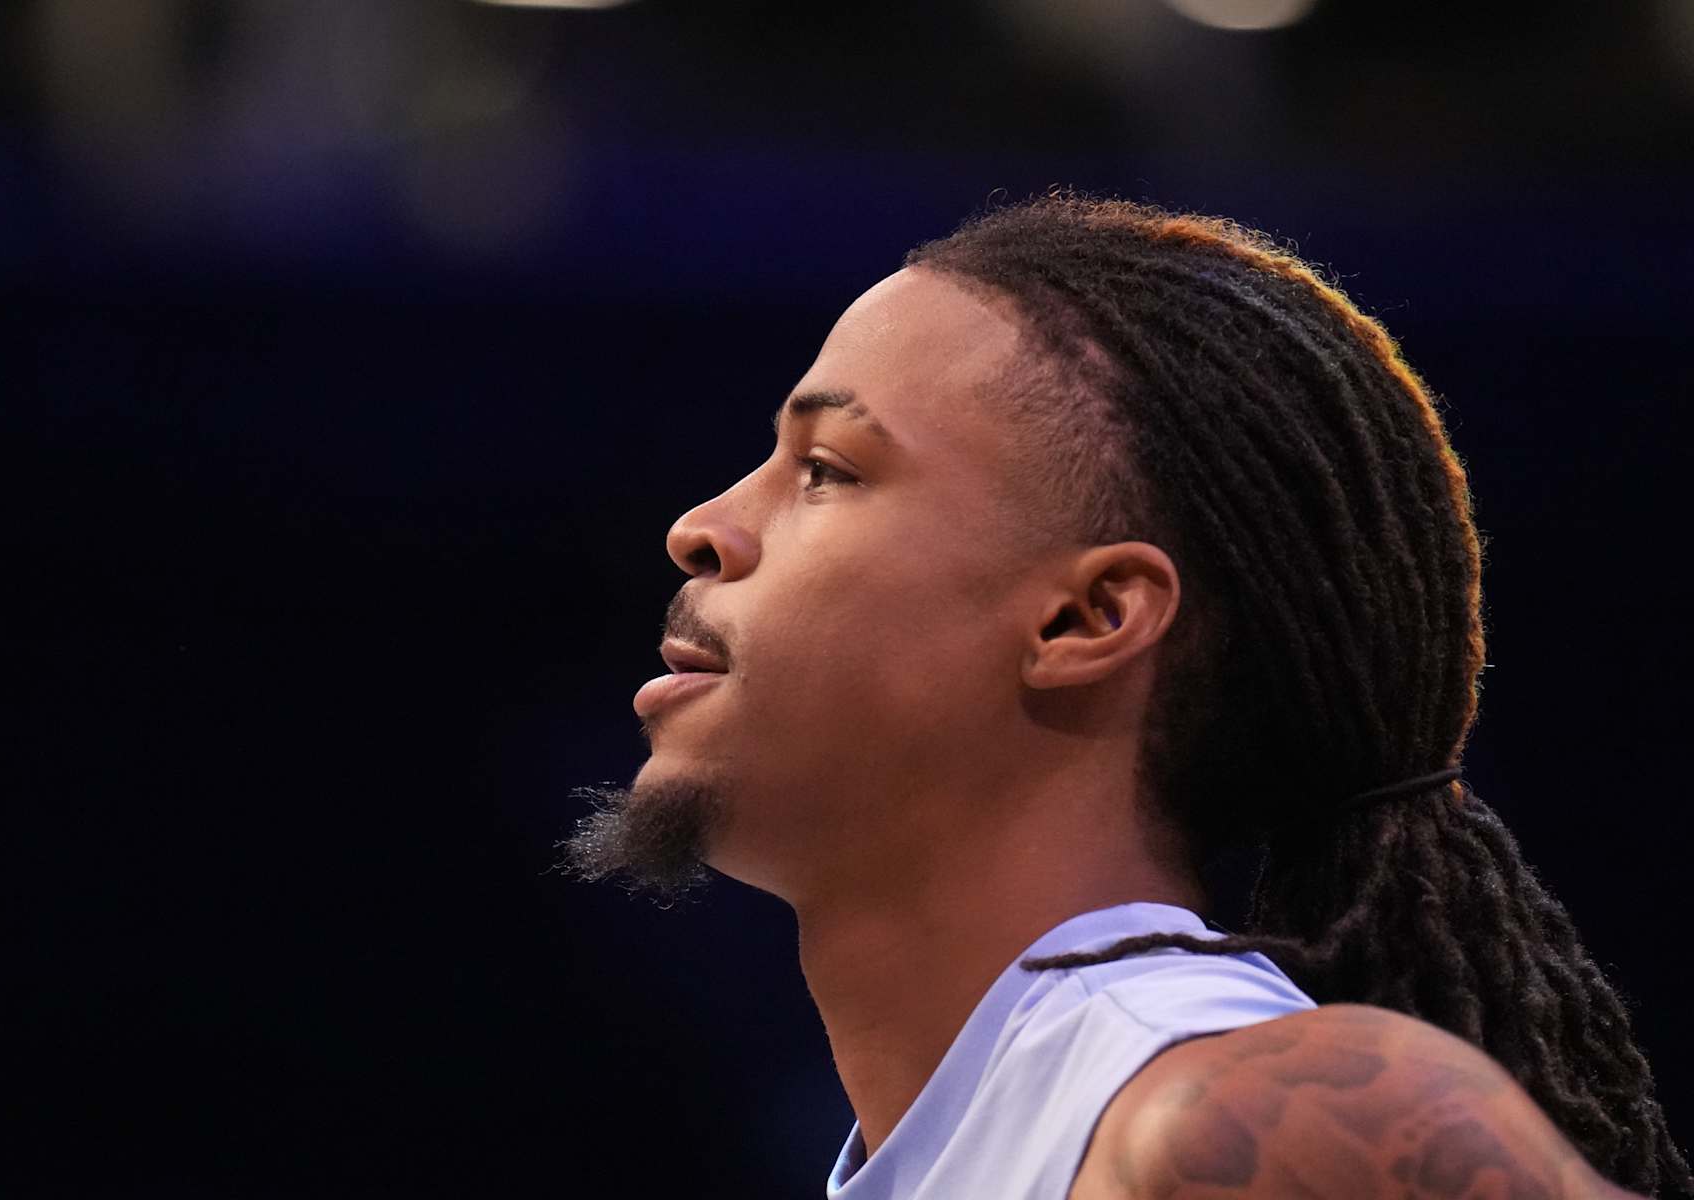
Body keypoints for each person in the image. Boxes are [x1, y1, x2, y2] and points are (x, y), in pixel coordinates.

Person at [563, 195, 1687, 1199]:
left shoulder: (1247, 1121)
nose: (703, 528)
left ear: (1085, 620)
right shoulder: (1007, 1132)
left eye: (827, 471)